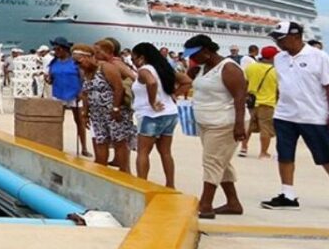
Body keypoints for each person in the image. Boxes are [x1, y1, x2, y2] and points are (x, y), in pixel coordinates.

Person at [260, 22, 329, 210]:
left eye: (280, 39)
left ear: (296, 36)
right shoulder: (279, 58)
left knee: (325, 156)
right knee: (285, 154)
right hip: (285, 115)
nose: (278, 43)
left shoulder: (319, 57)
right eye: (275, 39)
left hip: (313, 115)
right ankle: (288, 195)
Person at [185, 34, 247, 219]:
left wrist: (239, 125)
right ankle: (233, 203)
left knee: (211, 162)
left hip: (224, 123)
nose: (191, 58)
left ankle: (206, 204)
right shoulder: (203, 68)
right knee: (221, 162)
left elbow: (240, 97)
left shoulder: (228, 68)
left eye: (194, 54)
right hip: (206, 122)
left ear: (207, 51)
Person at [131, 42, 191, 188]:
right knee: (165, 152)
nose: (133, 62)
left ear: (141, 57)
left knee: (143, 152)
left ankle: (142, 184)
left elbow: (151, 83)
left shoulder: (145, 70)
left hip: (150, 115)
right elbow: (187, 81)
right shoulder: (163, 68)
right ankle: (170, 184)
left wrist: (152, 102)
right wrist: (174, 95)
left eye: (134, 58)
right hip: (170, 113)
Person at [75, 43, 136, 172]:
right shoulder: (85, 72)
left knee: (119, 141)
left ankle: (125, 172)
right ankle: (103, 172)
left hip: (113, 112)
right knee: (100, 141)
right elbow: (85, 94)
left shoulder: (106, 68)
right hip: (97, 114)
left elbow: (118, 88)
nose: (78, 65)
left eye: (79, 61)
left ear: (88, 57)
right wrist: (85, 113)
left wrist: (115, 108)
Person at [44, 37, 90, 157]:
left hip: (74, 94)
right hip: (59, 93)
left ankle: (84, 147)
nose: (56, 51)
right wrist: (48, 79)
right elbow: (51, 78)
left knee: (79, 120)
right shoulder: (54, 62)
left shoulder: (75, 62)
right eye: (54, 49)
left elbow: (82, 78)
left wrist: (81, 91)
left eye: (58, 49)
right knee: (58, 121)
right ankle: (57, 144)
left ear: (64, 49)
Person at [242, 46, 279, 159]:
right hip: (267, 104)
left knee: (248, 127)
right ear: (273, 57)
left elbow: (244, 83)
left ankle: (243, 148)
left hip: (251, 102)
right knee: (265, 129)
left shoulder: (251, 68)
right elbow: (279, 90)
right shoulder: (276, 71)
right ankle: (263, 152)